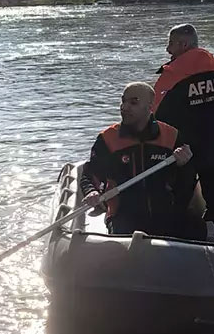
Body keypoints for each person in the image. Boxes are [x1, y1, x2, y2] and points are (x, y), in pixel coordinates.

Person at [151, 23, 214, 222]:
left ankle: (178, 229)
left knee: (178, 199)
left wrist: (151, 151)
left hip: (185, 152)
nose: (168, 49)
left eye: (171, 44)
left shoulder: (171, 76)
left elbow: (153, 117)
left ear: (184, 44)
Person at [80, 82, 198, 238]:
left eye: (133, 102)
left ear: (150, 106)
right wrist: (91, 191)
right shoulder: (107, 139)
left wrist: (184, 165)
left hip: (164, 212)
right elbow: (90, 173)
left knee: (197, 228)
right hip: (123, 214)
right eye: (123, 101)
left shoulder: (171, 136)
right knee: (126, 236)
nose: (124, 107)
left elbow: (187, 182)